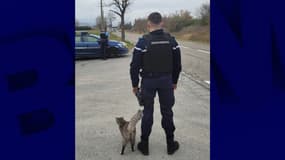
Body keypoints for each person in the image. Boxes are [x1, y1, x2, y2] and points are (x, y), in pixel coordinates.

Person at [130, 12, 182, 155]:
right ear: (162, 23)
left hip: (148, 82)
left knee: (148, 112)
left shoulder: (143, 42)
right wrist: (174, 81)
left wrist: (135, 85)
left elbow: (134, 66)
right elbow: (178, 65)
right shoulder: (172, 41)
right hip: (166, 81)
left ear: (148, 24)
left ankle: (144, 145)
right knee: (167, 112)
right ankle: (170, 144)